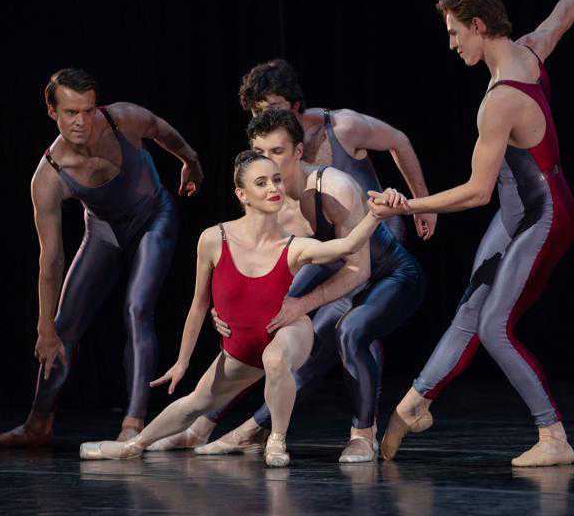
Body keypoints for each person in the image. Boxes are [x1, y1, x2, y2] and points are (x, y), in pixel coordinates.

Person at [371, 0, 574, 467]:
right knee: (471, 307)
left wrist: (407, 205)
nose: (452, 44)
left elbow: (476, 192)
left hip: (544, 215)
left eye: (455, 33)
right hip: (517, 210)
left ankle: (553, 436)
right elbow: (561, 17)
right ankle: (415, 403)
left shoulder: (500, 100)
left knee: (493, 326)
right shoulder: (529, 49)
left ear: (478, 25)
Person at [78, 150, 387, 467]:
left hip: (288, 332)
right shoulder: (214, 239)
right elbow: (199, 305)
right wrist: (182, 361)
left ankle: (276, 440)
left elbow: (346, 246)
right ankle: (133, 445)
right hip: (240, 345)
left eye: (277, 180)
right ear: (242, 194)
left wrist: (374, 216)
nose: (273, 188)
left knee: (275, 358)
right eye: (262, 183)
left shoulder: (294, 246)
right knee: (195, 403)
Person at [154, 110, 425, 462]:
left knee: (349, 331)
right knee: (262, 327)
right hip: (334, 270)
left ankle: (362, 435)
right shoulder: (273, 202)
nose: (269, 162)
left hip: (389, 276)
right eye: (260, 153)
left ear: (298, 152)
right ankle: (202, 425)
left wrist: (303, 304)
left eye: (277, 152)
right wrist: (227, 308)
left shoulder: (334, 188)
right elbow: (257, 272)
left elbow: (359, 270)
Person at [0, 68, 203, 447]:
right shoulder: (49, 176)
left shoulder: (122, 119)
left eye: (87, 110)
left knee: (136, 308)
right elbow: (51, 259)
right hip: (103, 230)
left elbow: (159, 129)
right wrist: (44, 328)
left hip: (154, 217)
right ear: (52, 112)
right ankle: (37, 425)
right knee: (63, 326)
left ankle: (133, 424)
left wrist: (191, 160)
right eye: (71, 113)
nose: (81, 121)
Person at [238, 58, 436, 242]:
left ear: (295, 105)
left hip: (377, 236)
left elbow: (399, 140)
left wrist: (423, 204)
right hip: (330, 245)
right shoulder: (265, 148)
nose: (263, 118)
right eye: (257, 111)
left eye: (272, 108)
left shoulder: (341, 127)